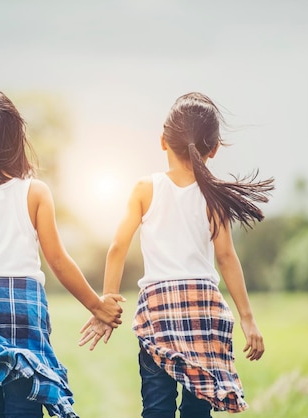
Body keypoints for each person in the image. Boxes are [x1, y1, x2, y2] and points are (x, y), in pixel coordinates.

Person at [0, 88, 125, 418]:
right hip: (23, 311)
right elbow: (58, 260)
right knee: (24, 409)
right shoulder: (36, 193)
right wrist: (97, 305)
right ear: (16, 139)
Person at [79, 92, 274, 417]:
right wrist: (248, 318)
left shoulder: (145, 188)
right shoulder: (214, 196)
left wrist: (109, 298)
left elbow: (117, 247)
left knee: (157, 407)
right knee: (198, 411)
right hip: (203, 312)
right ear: (212, 149)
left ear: (162, 142)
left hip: (158, 312)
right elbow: (227, 258)